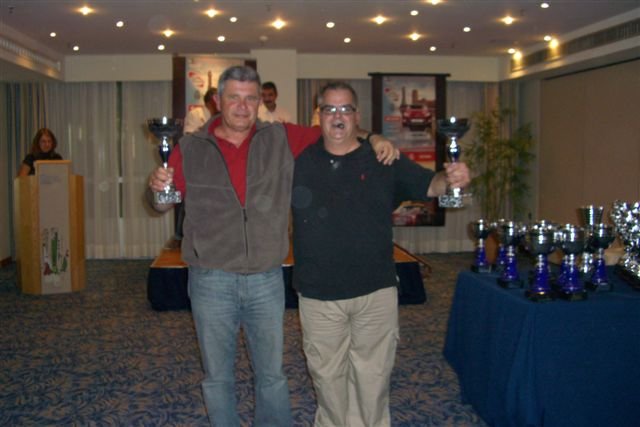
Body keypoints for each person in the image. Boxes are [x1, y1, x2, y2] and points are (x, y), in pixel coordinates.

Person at [147, 66, 397, 427]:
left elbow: (337, 126)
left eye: (251, 98)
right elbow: (162, 204)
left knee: (272, 376)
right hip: (210, 279)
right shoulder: (189, 147)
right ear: (218, 101)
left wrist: (374, 137)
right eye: (234, 97)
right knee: (217, 376)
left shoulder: (280, 137)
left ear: (259, 103)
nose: (243, 106)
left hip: (265, 278)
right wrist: (158, 190)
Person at [291, 81, 471, 427]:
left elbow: (431, 185)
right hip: (318, 293)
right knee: (327, 379)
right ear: (319, 115)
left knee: (372, 380)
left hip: (375, 291)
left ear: (357, 115)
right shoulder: (299, 161)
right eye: (330, 109)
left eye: (346, 109)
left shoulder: (382, 158)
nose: (338, 116)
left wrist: (454, 178)